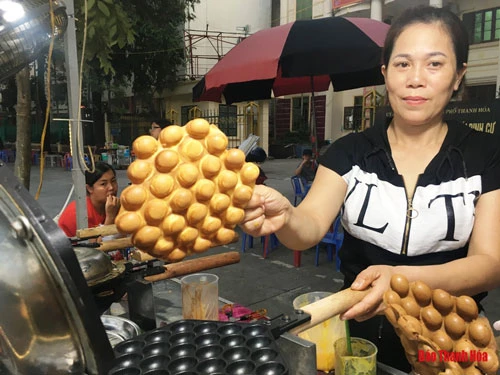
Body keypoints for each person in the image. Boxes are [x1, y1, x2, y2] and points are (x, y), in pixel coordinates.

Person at [240, 6, 500, 372]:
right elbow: (309, 226)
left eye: (435, 64)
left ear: (458, 76)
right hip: (360, 333)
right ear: (385, 74)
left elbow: (490, 263)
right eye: (403, 64)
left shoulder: (485, 154)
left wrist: (401, 278)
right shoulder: (350, 151)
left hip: (453, 337)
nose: (416, 79)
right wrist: (285, 216)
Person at [58, 162, 120, 238]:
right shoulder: (80, 215)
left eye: (113, 181)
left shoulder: (110, 206)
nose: (111, 187)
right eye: (103, 184)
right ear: (89, 188)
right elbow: (96, 247)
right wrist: (111, 217)